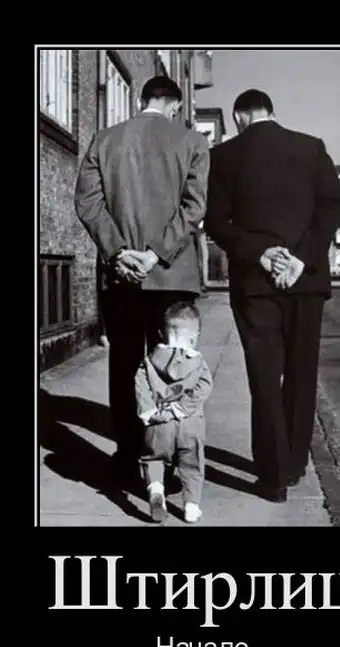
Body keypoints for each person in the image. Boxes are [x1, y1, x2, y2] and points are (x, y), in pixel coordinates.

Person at [204, 89, 340, 503]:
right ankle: (296, 463)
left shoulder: (223, 156)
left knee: (264, 377)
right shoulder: (311, 147)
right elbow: (332, 207)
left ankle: (273, 476)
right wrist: (300, 258)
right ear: (271, 111)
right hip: (306, 281)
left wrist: (262, 254)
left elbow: (217, 222)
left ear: (239, 116)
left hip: (255, 283)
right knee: (301, 374)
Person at [74, 76, 210, 476]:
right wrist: (155, 254)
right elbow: (194, 208)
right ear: (176, 105)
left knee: (125, 364)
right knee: (173, 367)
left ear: (140, 99)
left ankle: (128, 457)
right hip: (173, 276)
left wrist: (119, 251)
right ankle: (168, 462)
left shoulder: (105, 140)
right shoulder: (192, 142)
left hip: (121, 276)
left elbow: (88, 202)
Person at [135, 301, 213, 523]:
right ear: (194, 337)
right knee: (192, 465)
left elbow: (140, 385)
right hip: (190, 423)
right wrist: (180, 408)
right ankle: (191, 507)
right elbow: (204, 386)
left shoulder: (149, 361)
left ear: (161, 334)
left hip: (159, 422)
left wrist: (150, 412)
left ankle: (156, 490)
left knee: (153, 458)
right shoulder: (198, 363)